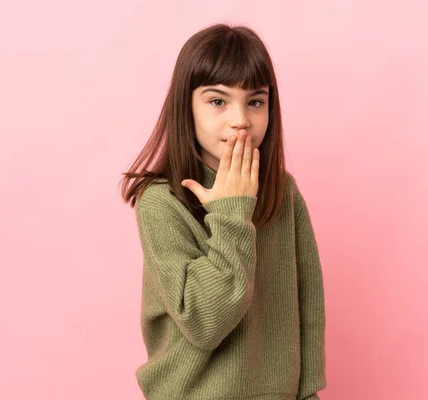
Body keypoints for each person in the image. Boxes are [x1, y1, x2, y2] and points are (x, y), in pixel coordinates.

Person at [120, 22, 326, 400]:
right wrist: (233, 210)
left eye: (255, 101)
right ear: (187, 106)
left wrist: (308, 392)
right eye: (218, 101)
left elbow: (307, 305)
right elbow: (204, 322)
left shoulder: (284, 192)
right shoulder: (161, 201)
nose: (240, 119)